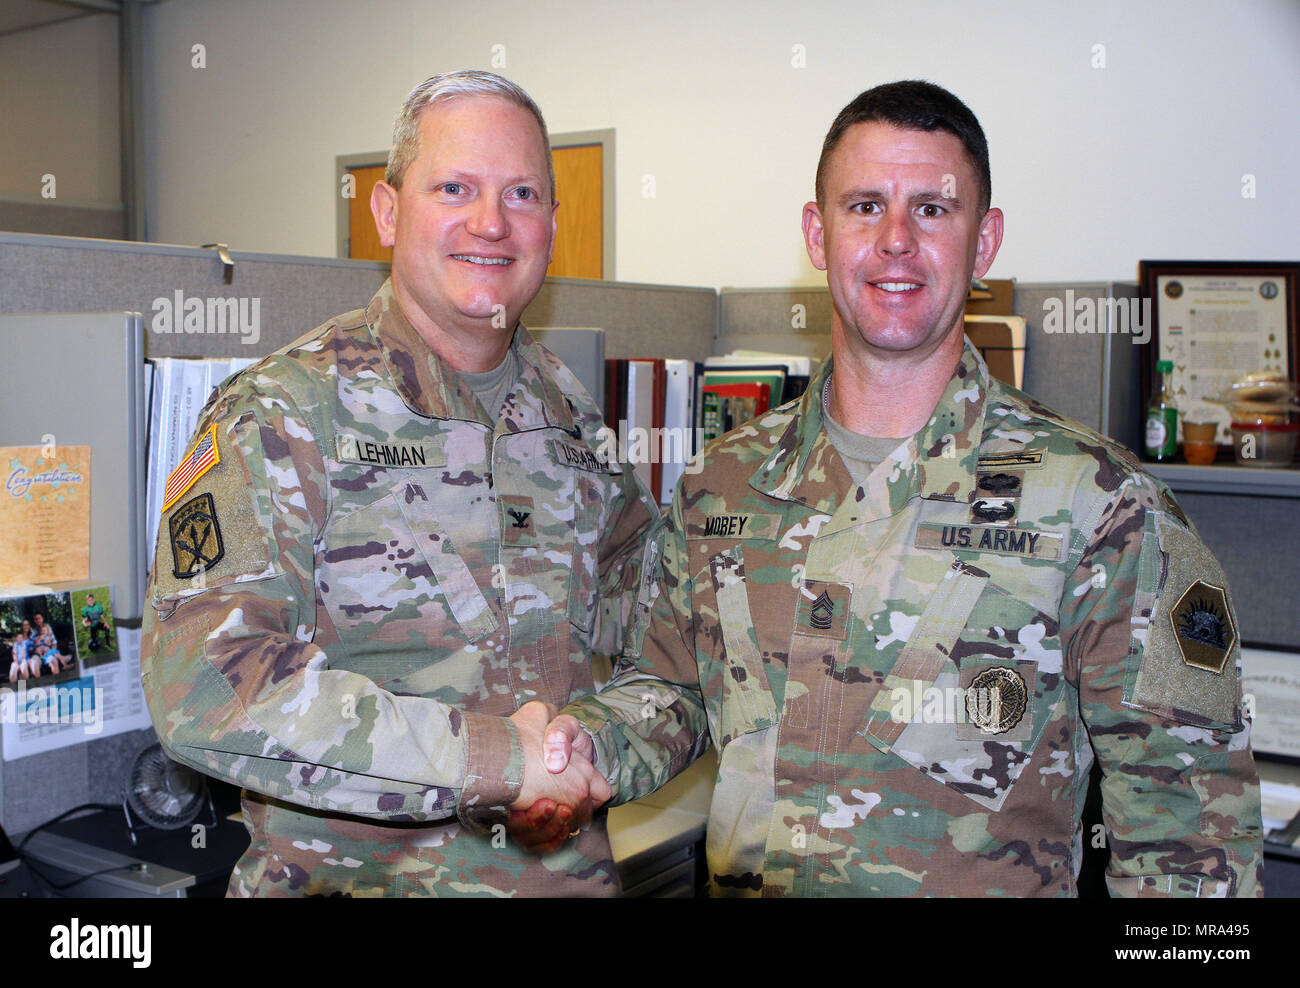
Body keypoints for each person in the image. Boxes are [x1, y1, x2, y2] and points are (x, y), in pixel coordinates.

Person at [520, 80, 1264, 896]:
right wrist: (587, 747)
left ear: (985, 243)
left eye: (934, 210)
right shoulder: (722, 482)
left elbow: (1192, 839)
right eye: (865, 206)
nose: (896, 241)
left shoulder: (1102, 506)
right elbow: (673, 689)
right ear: (818, 232)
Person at [140, 70, 659, 897]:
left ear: (554, 226)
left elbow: (667, 629)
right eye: (454, 187)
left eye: (522, 193)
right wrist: (500, 760)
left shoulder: (567, 412)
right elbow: (206, 687)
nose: (491, 222)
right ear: (388, 212)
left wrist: (596, 746)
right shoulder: (280, 413)